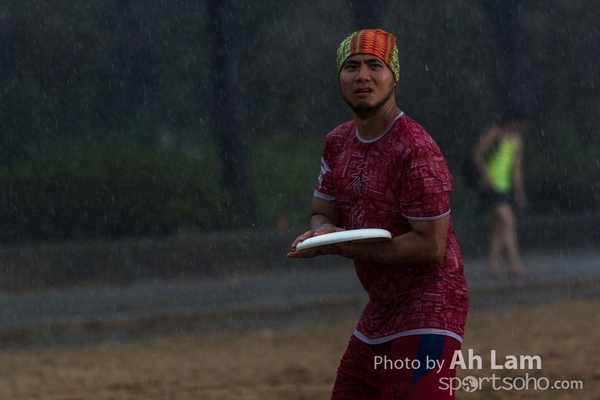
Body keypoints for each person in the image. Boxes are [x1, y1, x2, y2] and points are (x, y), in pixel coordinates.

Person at [287, 28, 468, 400]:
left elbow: (431, 246)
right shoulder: (336, 142)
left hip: (431, 307)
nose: (363, 75)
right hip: (381, 310)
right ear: (339, 77)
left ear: (394, 76)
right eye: (351, 66)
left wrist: (343, 248)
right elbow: (322, 211)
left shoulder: (416, 148)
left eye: (375, 65)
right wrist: (322, 233)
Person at [471, 110, 529, 278]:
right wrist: (487, 177)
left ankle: (492, 266)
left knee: (499, 227)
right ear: (512, 121)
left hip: (504, 187)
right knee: (508, 221)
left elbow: (516, 169)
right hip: (489, 186)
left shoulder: (517, 141)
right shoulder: (495, 133)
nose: (523, 127)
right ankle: (515, 264)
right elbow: (477, 154)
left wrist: (519, 193)